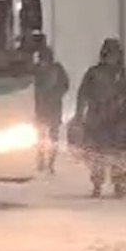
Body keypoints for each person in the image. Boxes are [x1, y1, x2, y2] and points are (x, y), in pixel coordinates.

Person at [73, 38, 126, 197]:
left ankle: (118, 183)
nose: (113, 57)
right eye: (110, 54)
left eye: (115, 54)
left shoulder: (120, 74)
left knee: (117, 152)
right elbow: (82, 94)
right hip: (96, 118)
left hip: (116, 118)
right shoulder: (94, 73)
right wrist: (79, 115)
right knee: (97, 152)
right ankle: (97, 183)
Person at [34, 45, 70, 174]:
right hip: (40, 108)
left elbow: (64, 85)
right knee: (40, 137)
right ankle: (41, 161)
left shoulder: (57, 69)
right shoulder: (36, 70)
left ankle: (50, 163)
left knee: (52, 138)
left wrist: (56, 95)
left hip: (53, 108)